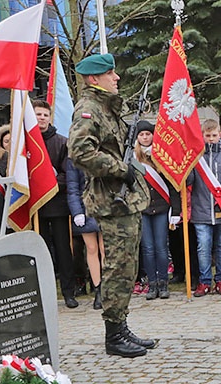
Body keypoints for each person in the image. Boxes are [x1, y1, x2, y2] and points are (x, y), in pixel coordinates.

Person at [67, 52, 156, 358]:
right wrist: (120, 169)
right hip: (110, 200)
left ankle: (121, 324)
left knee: (127, 265)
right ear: (94, 79)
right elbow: (80, 152)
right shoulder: (89, 109)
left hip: (123, 199)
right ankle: (113, 334)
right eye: (110, 73)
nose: (116, 77)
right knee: (118, 266)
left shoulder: (107, 107)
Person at [187, 120, 221, 297]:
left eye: (214, 135)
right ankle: (204, 282)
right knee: (203, 247)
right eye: (207, 136)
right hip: (201, 209)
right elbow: (189, 183)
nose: (211, 139)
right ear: (202, 136)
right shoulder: (196, 157)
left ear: (220, 135)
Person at [33, 99, 78, 308]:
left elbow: (67, 174)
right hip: (35, 208)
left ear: (49, 118)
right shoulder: (26, 143)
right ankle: (44, 293)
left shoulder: (62, 142)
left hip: (58, 205)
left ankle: (69, 292)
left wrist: (48, 185)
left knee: (63, 250)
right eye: (37, 114)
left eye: (44, 115)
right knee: (41, 252)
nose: (41, 118)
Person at [134, 121, 180, 299]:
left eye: (148, 134)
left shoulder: (162, 156)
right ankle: (151, 284)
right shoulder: (133, 159)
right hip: (143, 208)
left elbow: (172, 184)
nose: (145, 137)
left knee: (161, 247)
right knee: (147, 248)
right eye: (141, 135)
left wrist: (175, 211)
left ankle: (163, 283)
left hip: (161, 207)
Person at [67, 164, 104, 310]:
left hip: (105, 206)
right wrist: (76, 212)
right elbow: (73, 188)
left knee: (104, 247)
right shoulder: (74, 157)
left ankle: (107, 287)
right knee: (91, 248)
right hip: (85, 207)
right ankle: (98, 289)